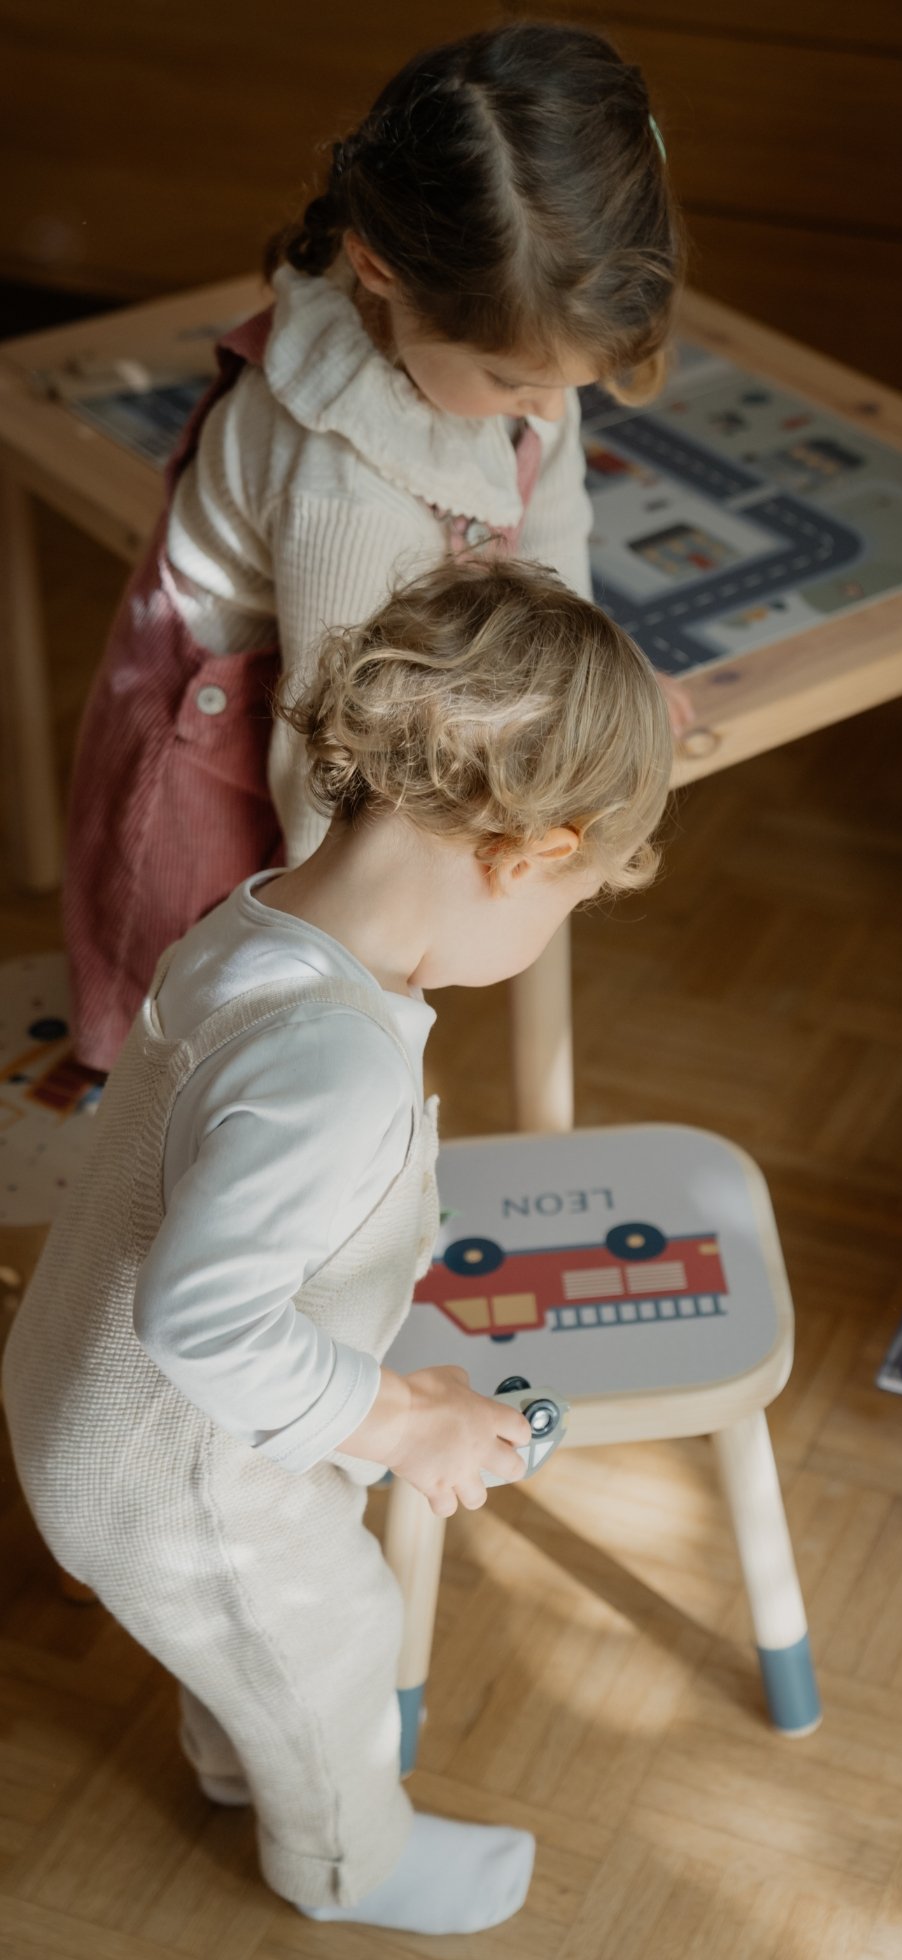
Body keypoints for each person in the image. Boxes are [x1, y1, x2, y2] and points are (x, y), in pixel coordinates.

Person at [5, 560, 673, 1934]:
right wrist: (398, 1423)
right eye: (567, 907)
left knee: (256, 1636)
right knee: (334, 1640)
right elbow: (202, 1325)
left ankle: (233, 1746)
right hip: (171, 1460)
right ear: (519, 858)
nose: (551, 932)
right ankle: (345, 1866)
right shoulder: (333, 1062)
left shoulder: (263, 922)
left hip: (92, 1399)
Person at [65, 21, 687, 1070]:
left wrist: (583, 697)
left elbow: (552, 525)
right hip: (235, 741)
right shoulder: (346, 485)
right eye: (514, 384)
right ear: (375, 268)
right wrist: (349, 962)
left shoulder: (518, 351)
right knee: (198, 1028)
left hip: (377, 669)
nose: (545, 408)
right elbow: (332, 757)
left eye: (566, 386)